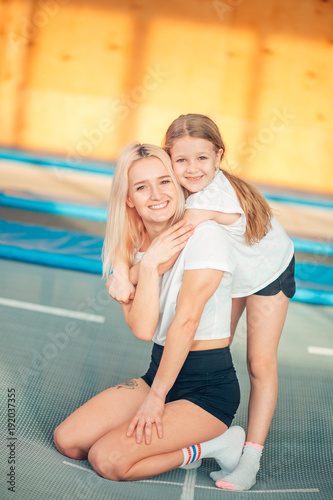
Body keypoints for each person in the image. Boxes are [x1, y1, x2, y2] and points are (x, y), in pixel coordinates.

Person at [108, 115, 296, 491]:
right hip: (235, 265)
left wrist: (122, 273)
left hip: (266, 268)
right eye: (181, 161)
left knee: (259, 363)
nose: (191, 170)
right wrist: (119, 263)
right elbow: (141, 239)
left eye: (203, 159)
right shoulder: (176, 188)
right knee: (213, 342)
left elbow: (164, 253)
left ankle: (251, 457)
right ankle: (209, 428)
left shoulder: (204, 202)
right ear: (168, 160)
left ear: (219, 156)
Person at [53, 143, 245, 482]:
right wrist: (150, 264)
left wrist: (156, 399)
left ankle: (213, 444)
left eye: (165, 182)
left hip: (206, 389)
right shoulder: (131, 248)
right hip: (158, 371)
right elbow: (143, 329)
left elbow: (185, 323)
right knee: (68, 441)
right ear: (129, 198)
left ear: (177, 184)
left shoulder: (205, 236)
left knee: (108, 460)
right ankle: (174, 433)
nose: (156, 195)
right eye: (142, 187)